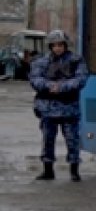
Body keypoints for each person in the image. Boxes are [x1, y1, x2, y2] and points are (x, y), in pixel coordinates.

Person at [29, 29, 89, 182]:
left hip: (69, 108)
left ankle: (74, 170)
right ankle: (48, 170)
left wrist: (62, 87)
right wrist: (49, 86)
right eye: (54, 45)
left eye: (60, 45)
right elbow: (35, 79)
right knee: (48, 139)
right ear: (50, 46)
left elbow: (81, 79)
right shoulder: (41, 62)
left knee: (72, 140)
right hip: (47, 108)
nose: (57, 48)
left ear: (65, 45)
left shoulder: (76, 60)